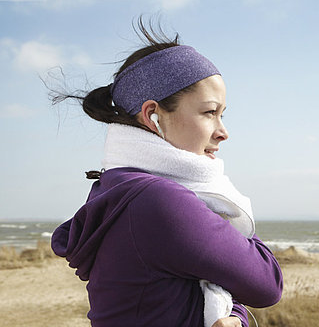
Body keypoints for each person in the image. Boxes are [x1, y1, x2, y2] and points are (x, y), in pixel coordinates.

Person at [50, 20, 283, 327]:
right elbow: (267, 283)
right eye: (209, 112)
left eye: (223, 114)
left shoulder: (117, 187)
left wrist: (233, 316)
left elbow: (189, 290)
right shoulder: (159, 200)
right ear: (153, 115)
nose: (223, 132)